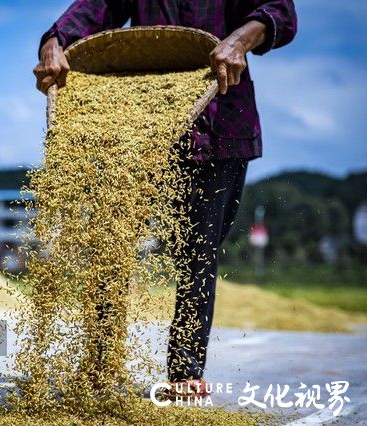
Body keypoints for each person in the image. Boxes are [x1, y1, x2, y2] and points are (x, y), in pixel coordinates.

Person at [34, 0, 297, 397]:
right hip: (140, 129)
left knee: (198, 252)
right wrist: (53, 42)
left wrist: (239, 41)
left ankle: (184, 373)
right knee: (112, 242)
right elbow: (97, 8)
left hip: (218, 122)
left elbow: (279, 10)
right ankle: (100, 362)